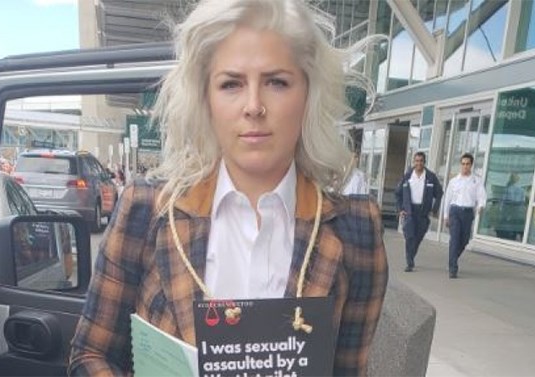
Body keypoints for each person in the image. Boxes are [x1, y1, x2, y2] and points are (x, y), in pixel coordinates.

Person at [69, 1, 388, 375]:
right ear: (206, 98)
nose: (254, 106)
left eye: (277, 82)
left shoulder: (355, 229)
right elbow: (90, 354)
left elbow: (350, 371)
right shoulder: (147, 209)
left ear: (308, 94)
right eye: (231, 84)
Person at [394, 151, 443, 272]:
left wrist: (434, 209)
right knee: (409, 236)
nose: (419, 163)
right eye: (416, 161)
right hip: (409, 211)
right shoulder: (407, 176)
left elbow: (439, 193)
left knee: (418, 238)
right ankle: (409, 262)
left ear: (424, 162)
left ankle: (411, 256)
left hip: (423, 212)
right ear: (414, 162)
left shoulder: (430, 177)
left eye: (421, 161)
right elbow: (397, 194)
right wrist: (400, 209)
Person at [442, 153, 486, 279]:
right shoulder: (454, 181)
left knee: (464, 240)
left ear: (471, 165)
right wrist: (446, 215)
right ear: (460, 165)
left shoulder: (476, 181)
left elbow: (481, 196)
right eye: (463, 164)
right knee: (454, 239)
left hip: (467, 213)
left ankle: (452, 258)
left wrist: (481, 206)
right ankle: (453, 268)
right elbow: (447, 199)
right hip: (455, 211)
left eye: (467, 164)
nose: (465, 166)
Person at [495, 173, 526, 241]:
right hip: (516, 209)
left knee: (509, 223)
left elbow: (504, 200)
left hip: (510, 208)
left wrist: (501, 208)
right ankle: (512, 236)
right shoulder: (520, 189)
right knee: (514, 224)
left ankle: (509, 236)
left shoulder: (510, 188)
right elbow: (522, 201)